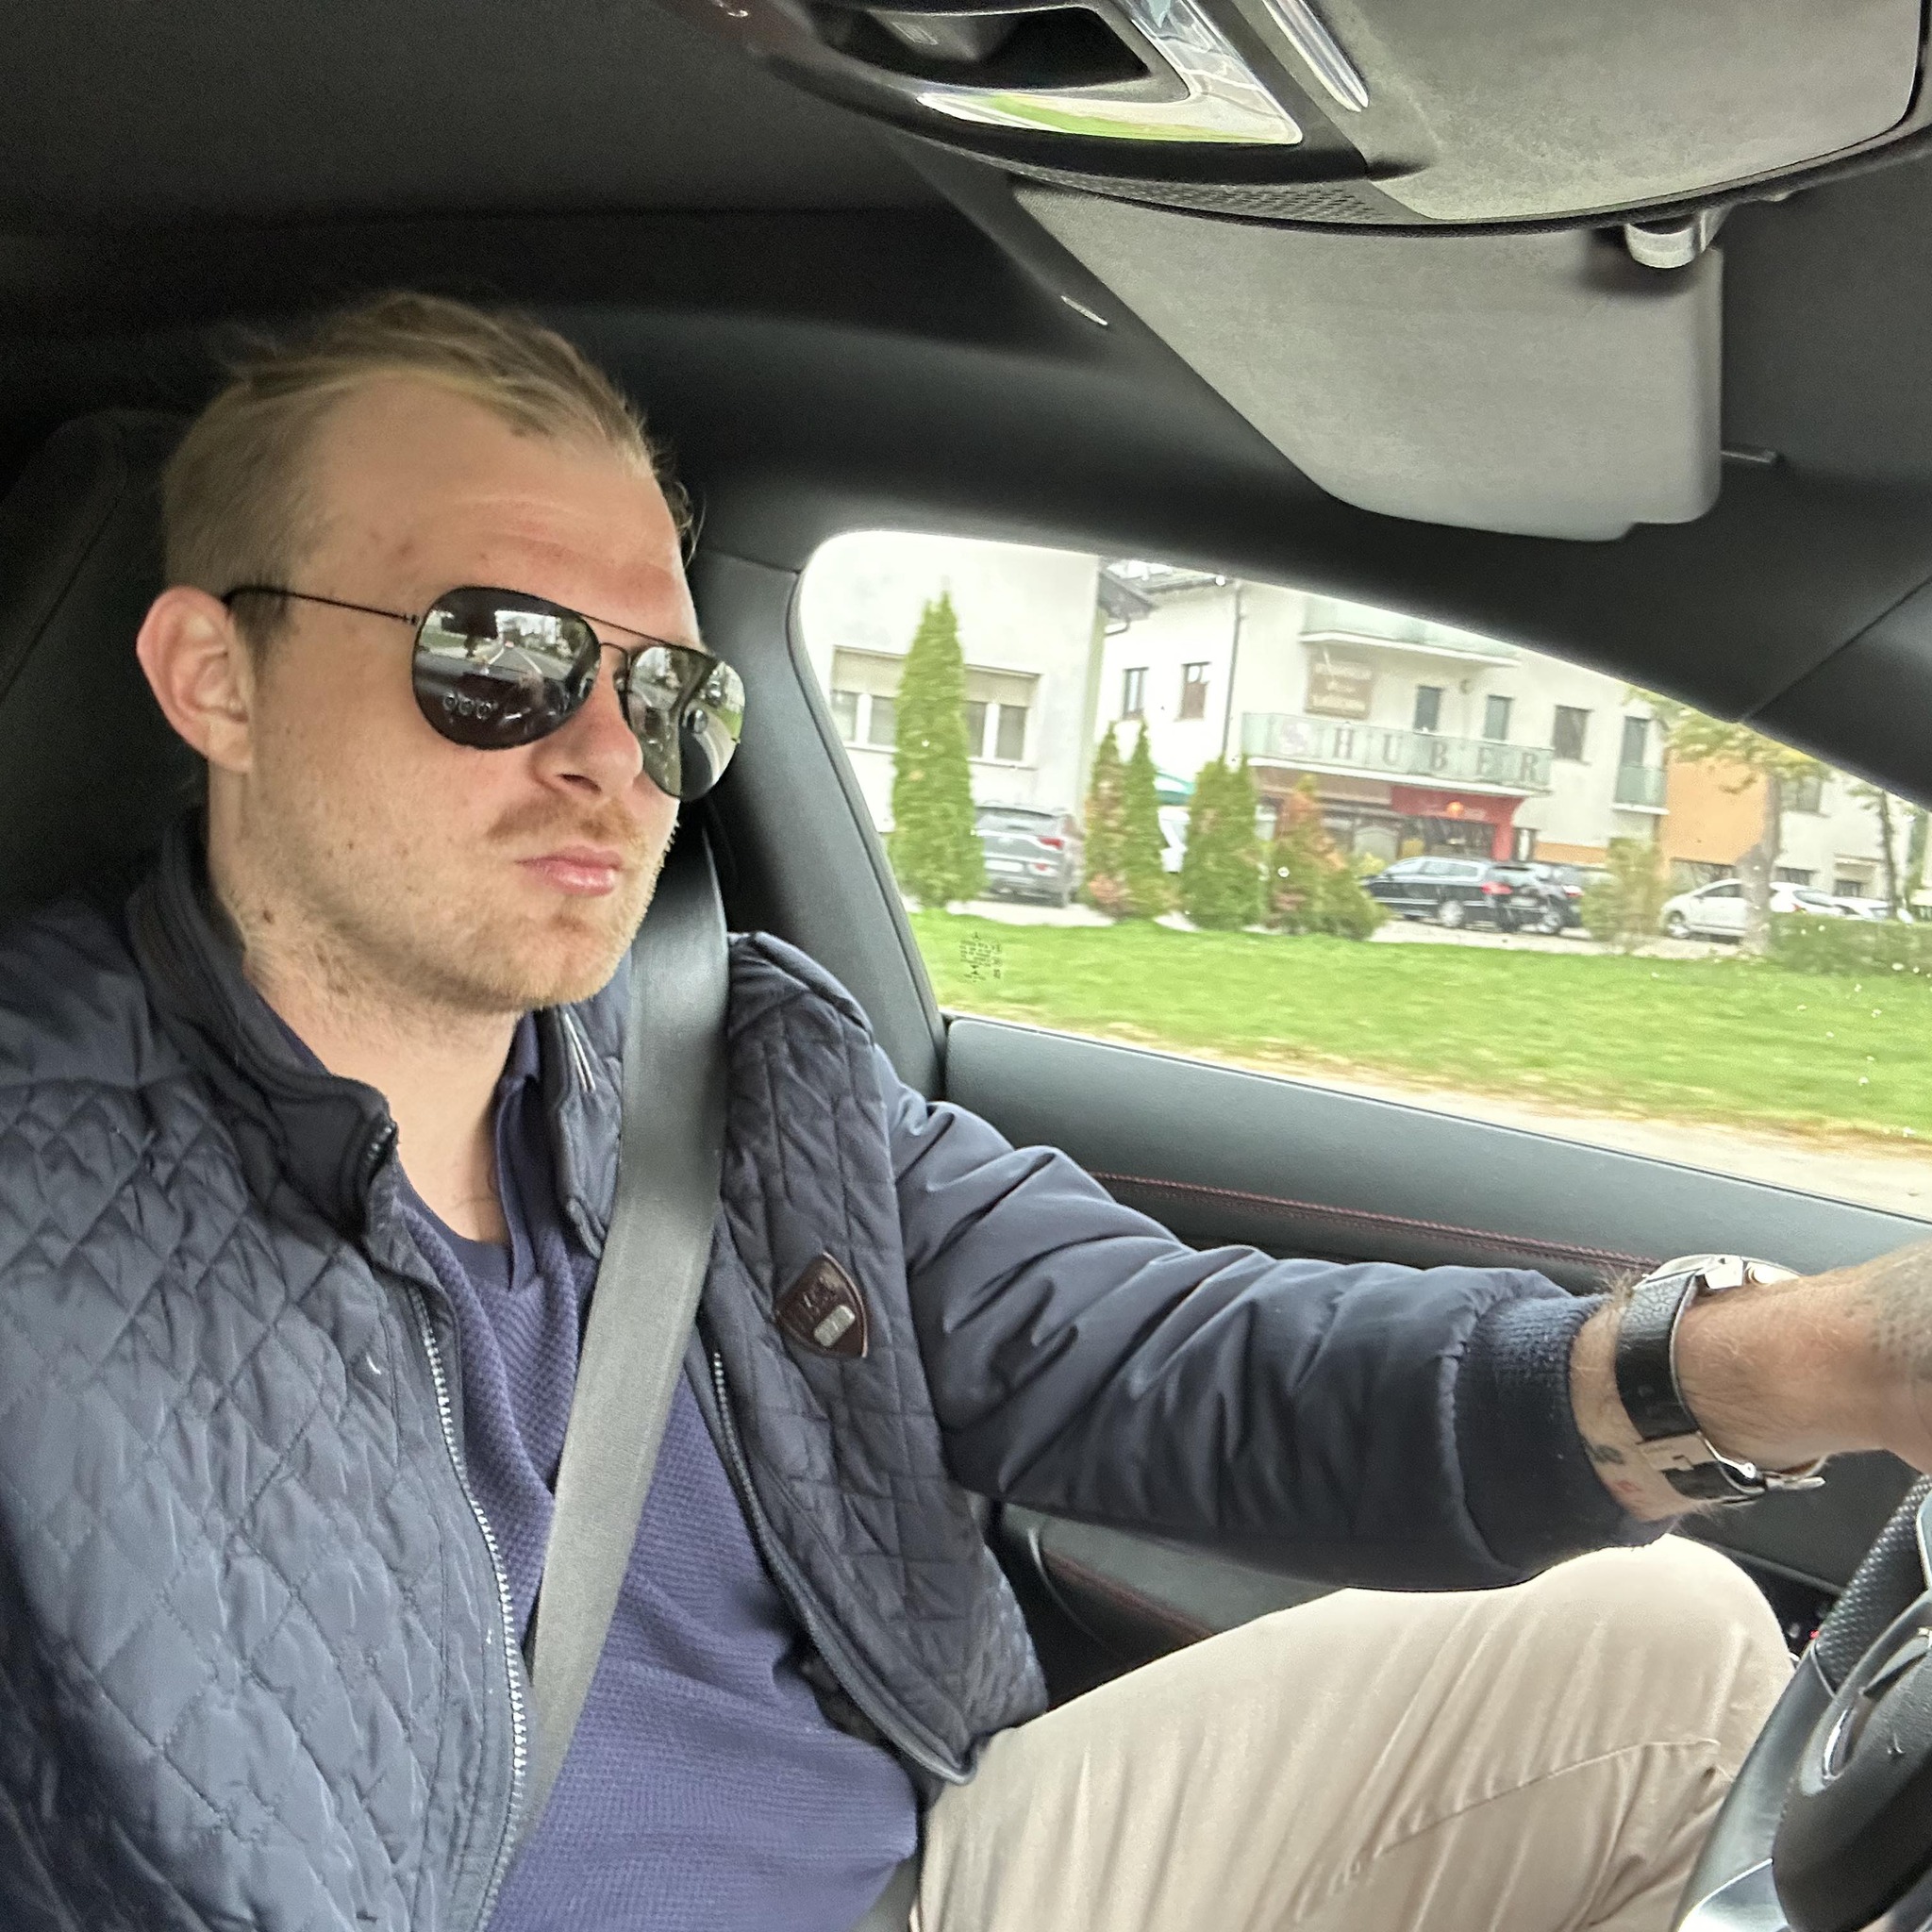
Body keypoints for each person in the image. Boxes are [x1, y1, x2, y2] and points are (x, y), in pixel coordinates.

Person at [0, 291, 1917, 1932]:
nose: (606, 759)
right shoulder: (47, 1184)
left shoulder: (737, 1074)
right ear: (211, 679)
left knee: (1663, 1651)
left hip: (922, 1882)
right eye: (494, 654)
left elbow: (1186, 1360)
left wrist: (1816, 1360)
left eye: (664, 697)